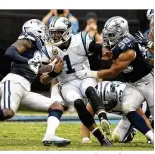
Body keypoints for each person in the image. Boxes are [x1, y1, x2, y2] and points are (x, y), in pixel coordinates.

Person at [0, 19, 70, 147]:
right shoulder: (28, 38)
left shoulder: (35, 49)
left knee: (56, 106)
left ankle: (49, 135)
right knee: (7, 112)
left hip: (24, 89)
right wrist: (27, 62)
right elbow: (10, 52)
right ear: (37, 30)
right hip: (14, 81)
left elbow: (36, 68)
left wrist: (52, 69)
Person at [75, 16, 154, 144]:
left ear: (120, 33)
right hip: (133, 84)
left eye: (111, 35)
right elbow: (107, 53)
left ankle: (150, 134)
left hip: (148, 82)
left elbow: (113, 72)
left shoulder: (128, 49)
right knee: (126, 111)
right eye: (107, 35)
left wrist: (90, 73)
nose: (108, 38)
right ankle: (150, 135)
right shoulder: (117, 44)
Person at [40, 17, 112, 146]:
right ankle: (101, 138)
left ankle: (103, 118)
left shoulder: (80, 40)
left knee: (90, 90)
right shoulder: (48, 49)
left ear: (67, 32)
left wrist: (107, 51)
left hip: (84, 76)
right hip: (66, 83)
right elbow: (43, 79)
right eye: (53, 32)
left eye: (58, 32)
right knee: (78, 103)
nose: (54, 35)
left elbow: (99, 49)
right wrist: (54, 72)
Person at [81, 81, 153, 143]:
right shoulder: (95, 98)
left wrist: (151, 137)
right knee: (117, 138)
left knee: (119, 137)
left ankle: (150, 121)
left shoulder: (126, 96)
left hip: (140, 107)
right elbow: (87, 119)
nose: (105, 107)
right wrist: (86, 138)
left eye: (108, 104)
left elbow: (143, 116)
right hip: (126, 112)